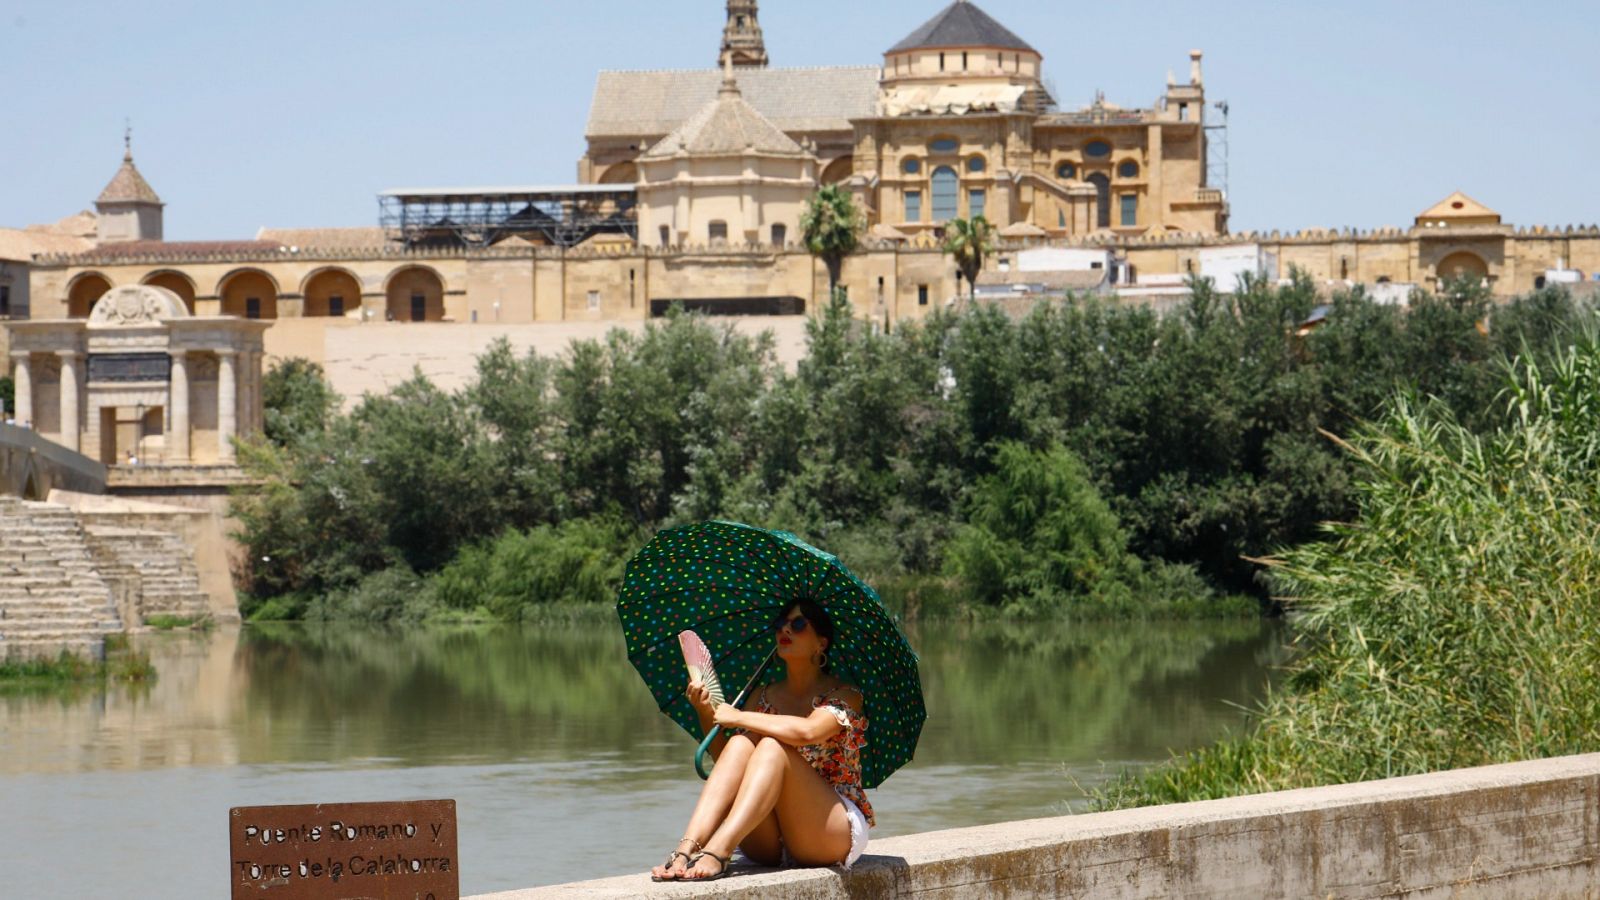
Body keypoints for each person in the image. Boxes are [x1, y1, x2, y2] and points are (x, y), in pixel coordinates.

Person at [649, 601, 873, 882]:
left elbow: (807, 732)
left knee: (770, 747)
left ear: (821, 643)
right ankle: (685, 850)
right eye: (781, 624)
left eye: (799, 624)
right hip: (770, 839)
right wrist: (706, 711)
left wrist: (740, 718)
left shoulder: (846, 694)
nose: (786, 630)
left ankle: (718, 850)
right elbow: (728, 763)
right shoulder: (763, 695)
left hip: (828, 829)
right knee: (740, 745)